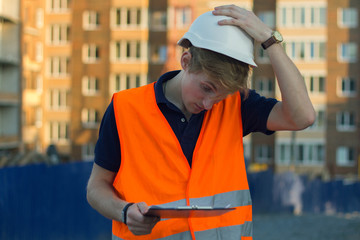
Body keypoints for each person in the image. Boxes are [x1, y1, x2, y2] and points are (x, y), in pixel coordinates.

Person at [86, 5, 315, 240]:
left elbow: (303, 116)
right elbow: (96, 188)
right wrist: (124, 212)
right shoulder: (125, 108)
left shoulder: (237, 106)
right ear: (186, 61)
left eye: (221, 95)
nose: (209, 104)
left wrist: (270, 40)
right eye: (206, 88)